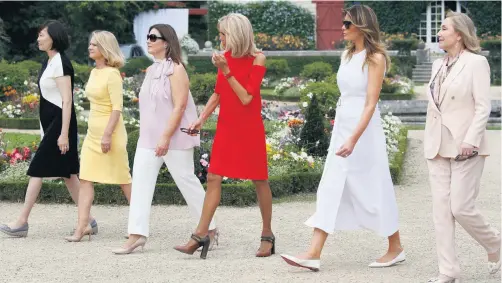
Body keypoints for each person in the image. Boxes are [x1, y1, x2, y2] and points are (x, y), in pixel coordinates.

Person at [280, 5, 404, 271]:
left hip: (364, 132)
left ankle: (395, 247)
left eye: (347, 24)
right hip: (343, 128)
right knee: (330, 186)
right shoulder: (347, 56)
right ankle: (313, 252)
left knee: (375, 186)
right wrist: (339, 131)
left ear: (361, 25)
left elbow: (370, 104)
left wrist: (353, 139)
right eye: (343, 23)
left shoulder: (376, 58)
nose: (342, 28)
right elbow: (346, 96)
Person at [173, 13, 274, 259]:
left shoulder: (258, 59)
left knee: (259, 180)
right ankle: (200, 234)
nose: (220, 38)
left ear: (236, 34)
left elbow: (247, 98)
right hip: (227, 126)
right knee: (214, 177)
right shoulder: (224, 58)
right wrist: (200, 118)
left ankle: (268, 235)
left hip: (249, 129)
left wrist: (227, 70)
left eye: (223, 34)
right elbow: (218, 94)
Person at [112, 24, 218, 255]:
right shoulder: (151, 70)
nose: (148, 40)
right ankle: (137, 235)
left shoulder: (177, 69)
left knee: (186, 180)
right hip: (148, 138)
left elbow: (180, 106)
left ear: (166, 42)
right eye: (147, 37)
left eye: (153, 37)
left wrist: (165, 137)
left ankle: (209, 227)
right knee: (140, 183)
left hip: (175, 136)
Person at [0, 20, 98, 238]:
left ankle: (21, 222)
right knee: (69, 175)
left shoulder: (61, 63)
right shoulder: (49, 62)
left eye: (42, 35)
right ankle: (89, 220)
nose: (38, 39)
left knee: (36, 170)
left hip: (59, 127)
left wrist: (63, 133)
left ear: (53, 37)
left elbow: (66, 101)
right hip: (52, 126)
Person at [423, 11, 501, 283]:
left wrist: (471, 139)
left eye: (444, 28)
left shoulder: (476, 63)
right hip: (436, 145)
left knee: (461, 207)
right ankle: (449, 271)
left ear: (460, 34)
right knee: (441, 213)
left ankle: (494, 242)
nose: (439, 32)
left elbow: (483, 106)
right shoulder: (437, 65)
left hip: (465, 145)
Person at [65, 30, 132, 242]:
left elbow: (117, 109)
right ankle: (81, 227)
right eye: (90, 44)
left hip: (110, 134)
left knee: (124, 180)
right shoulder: (94, 72)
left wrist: (107, 135)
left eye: (94, 44)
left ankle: (138, 225)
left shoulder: (112, 74)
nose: (90, 47)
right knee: (85, 179)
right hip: (92, 136)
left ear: (105, 48)